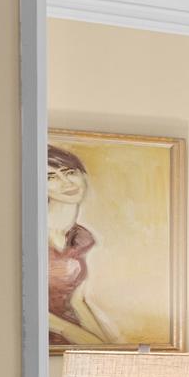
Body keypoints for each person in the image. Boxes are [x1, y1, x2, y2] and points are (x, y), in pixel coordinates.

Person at [48, 145, 116, 346]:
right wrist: (75, 334)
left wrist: (106, 346)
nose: (66, 182)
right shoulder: (27, 236)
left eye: (70, 173)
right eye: (51, 177)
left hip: (73, 343)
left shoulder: (82, 237)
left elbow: (77, 302)